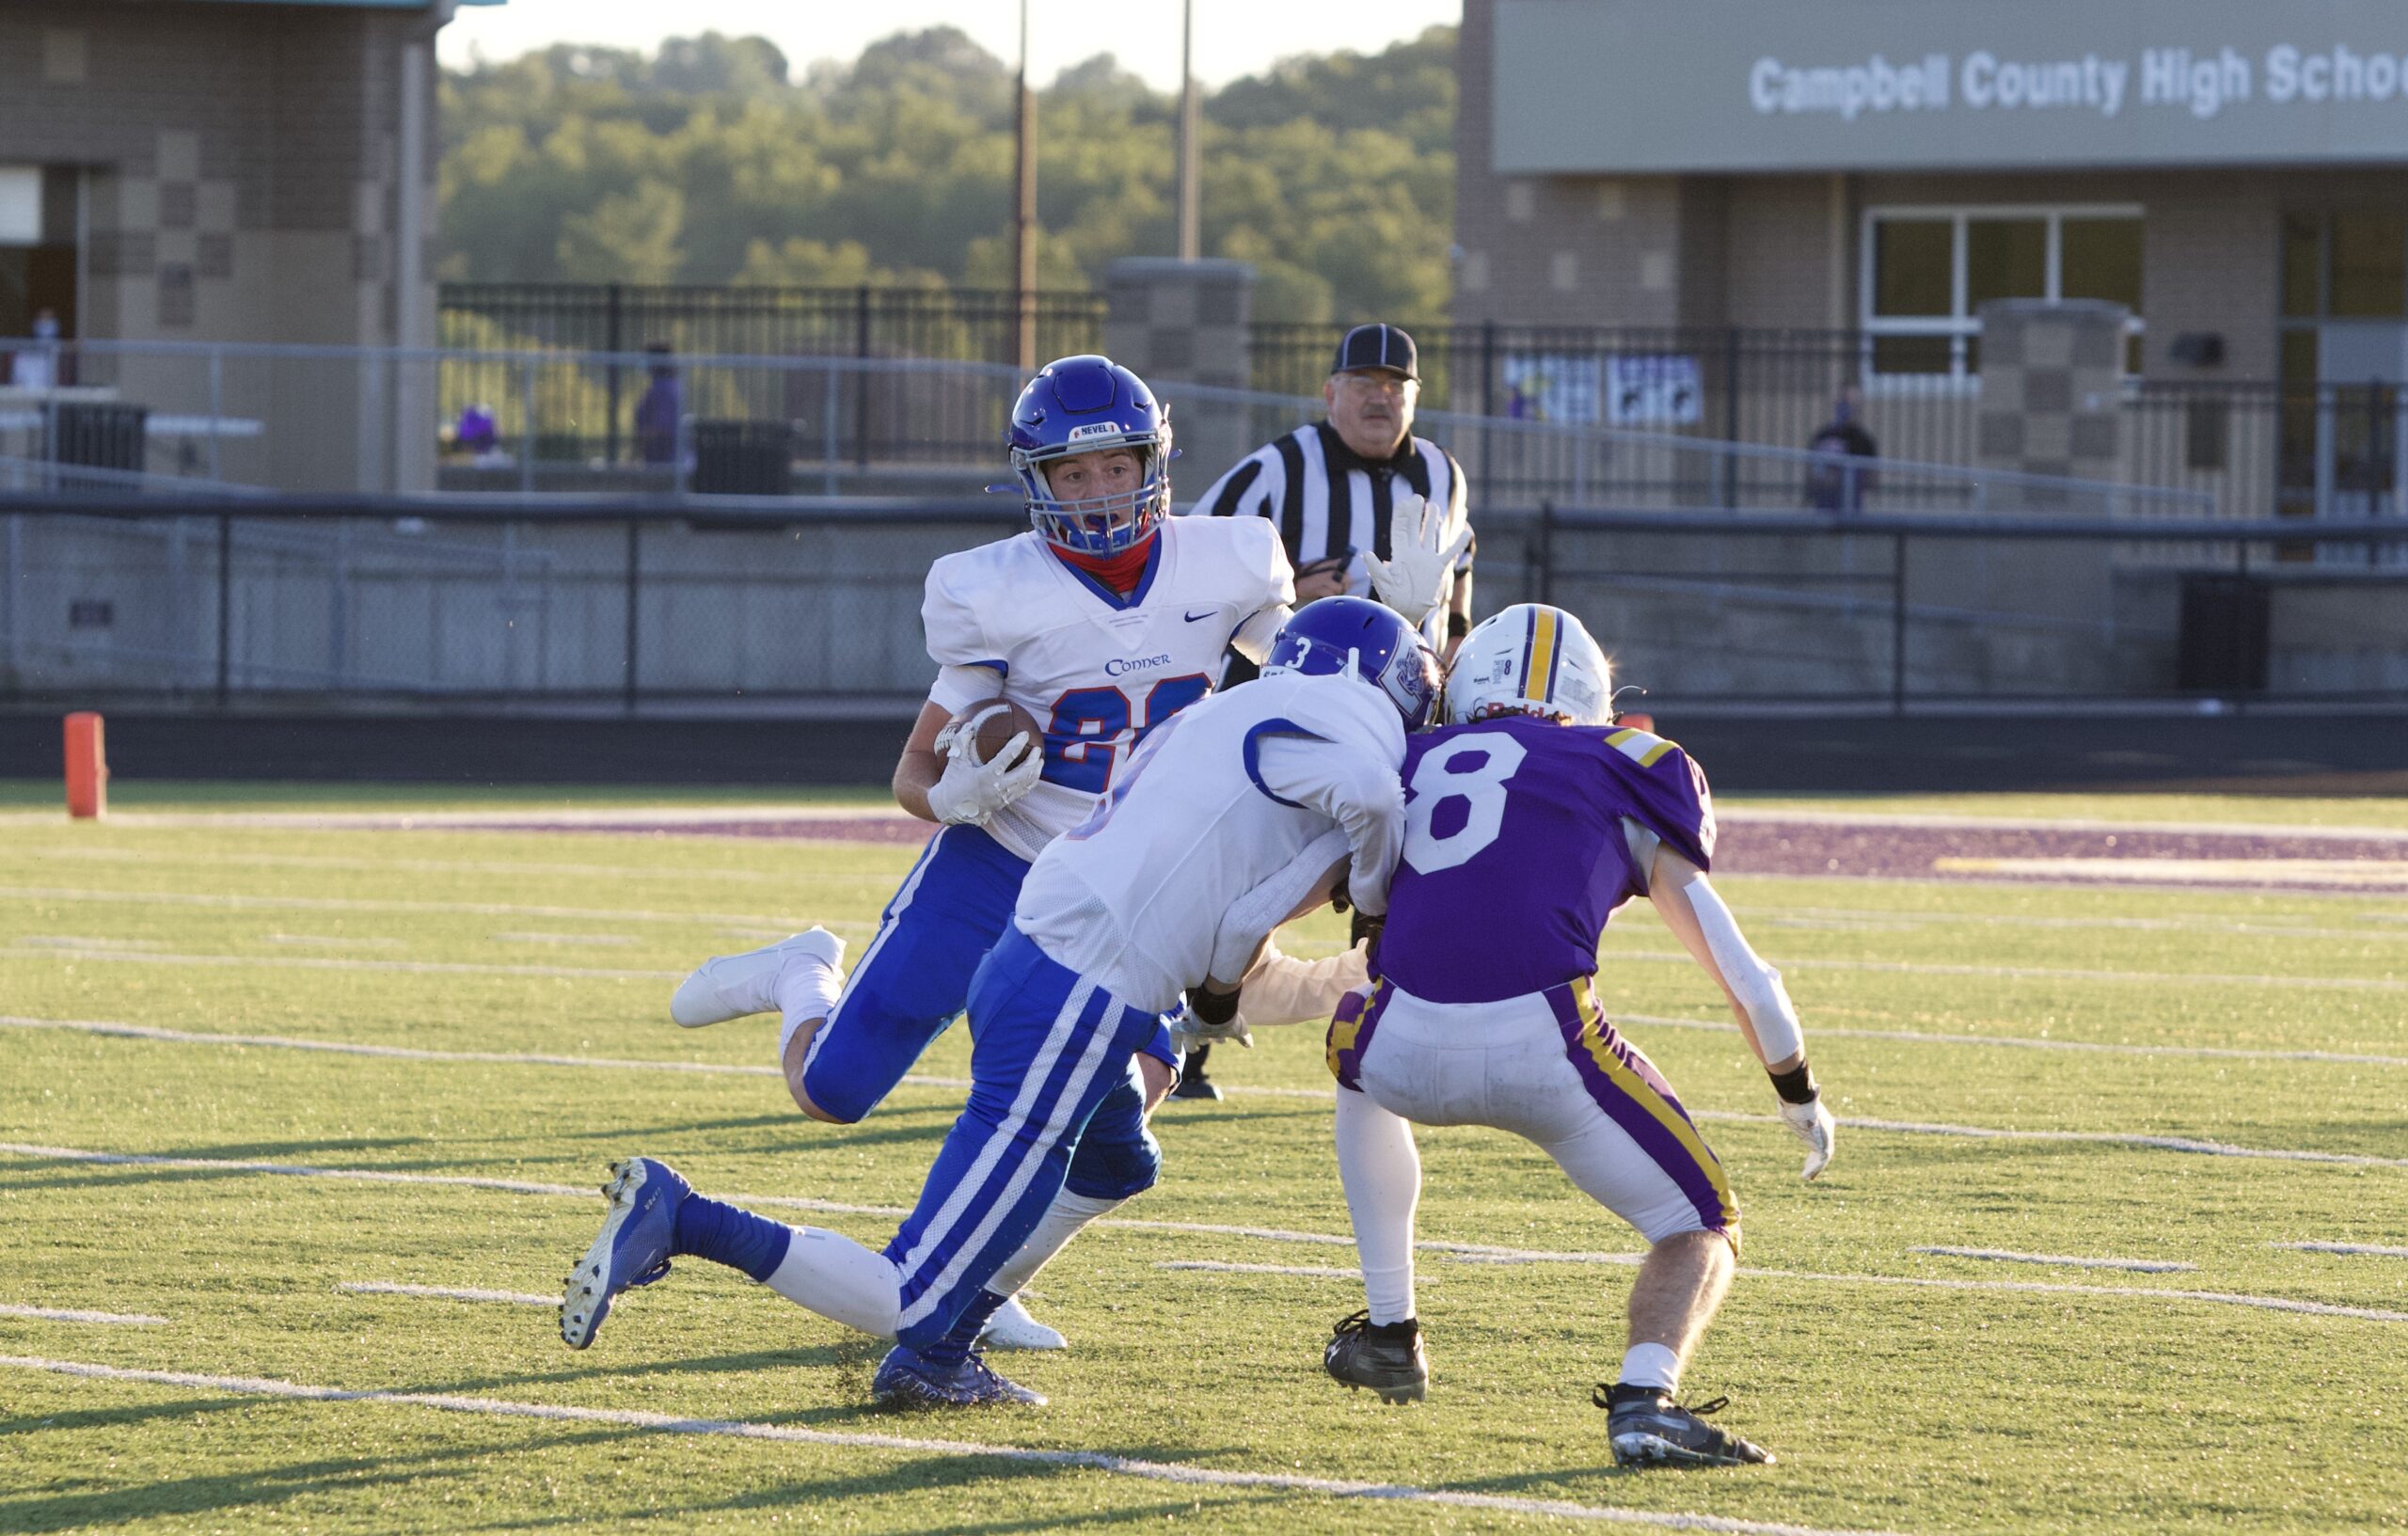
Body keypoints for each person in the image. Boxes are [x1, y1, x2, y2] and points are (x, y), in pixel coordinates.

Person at [625, 355, 1338, 1357]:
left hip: (1125, 892)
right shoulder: (994, 588)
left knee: (1125, 1107)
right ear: (1035, 480)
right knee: (832, 1091)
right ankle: (799, 974)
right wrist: (951, 797)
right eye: (1072, 474)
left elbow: (1299, 678)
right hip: (999, 863)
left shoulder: (1232, 561)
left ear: (1155, 463)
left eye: (1116, 467)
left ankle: (979, 1290)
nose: (1099, 493)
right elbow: (912, 772)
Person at [562, 596, 1437, 1408]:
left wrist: (1244, 996)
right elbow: (1365, 798)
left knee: (1117, 1161)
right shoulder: (1344, 724)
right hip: (1078, 997)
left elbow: (1232, 930)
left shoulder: (1217, 719)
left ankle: (942, 1358)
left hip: (1041, 956)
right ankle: (685, 1217)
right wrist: (1374, 892)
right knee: (908, 1294)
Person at [1314, 603, 1836, 1467]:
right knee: (1700, 1220)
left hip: (1399, 1044)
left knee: (1352, 1053)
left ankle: (1390, 1327)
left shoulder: (1406, 756)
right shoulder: (1624, 763)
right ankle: (1644, 1398)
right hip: (1546, 1043)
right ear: (1591, 696)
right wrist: (1798, 1092)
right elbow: (1749, 980)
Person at [1179, 322, 1473, 1100]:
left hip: (1404, 718)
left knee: (1400, 877)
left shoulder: (1443, 473)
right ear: (1330, 392)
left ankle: (1386, 1037)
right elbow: (1195, 559)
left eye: (1396, 385)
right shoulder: (1274, 470)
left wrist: (1453, 680)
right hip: (1285, 715)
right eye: (1365, 383)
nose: (1381, 397)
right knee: (1246, 873)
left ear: (1414, 397)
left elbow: (1461, 584)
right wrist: (1285, 596)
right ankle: (1190, 1038)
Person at [1803, 385, 1877, 512]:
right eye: (1842, 402)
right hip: (1824, 505)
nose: (1845, 407)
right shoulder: (1823, 435)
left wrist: (1848, 478)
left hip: (1851, 507)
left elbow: (1872, 478)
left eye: (1850, 403)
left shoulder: (1864, 440)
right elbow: (1811, 471)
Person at [633, 343, 682, 466]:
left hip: (664, 460)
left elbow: (662, 428)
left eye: (646, 359)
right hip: (656, 457)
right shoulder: (660, 387)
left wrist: (637, 447)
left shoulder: (664, 389)